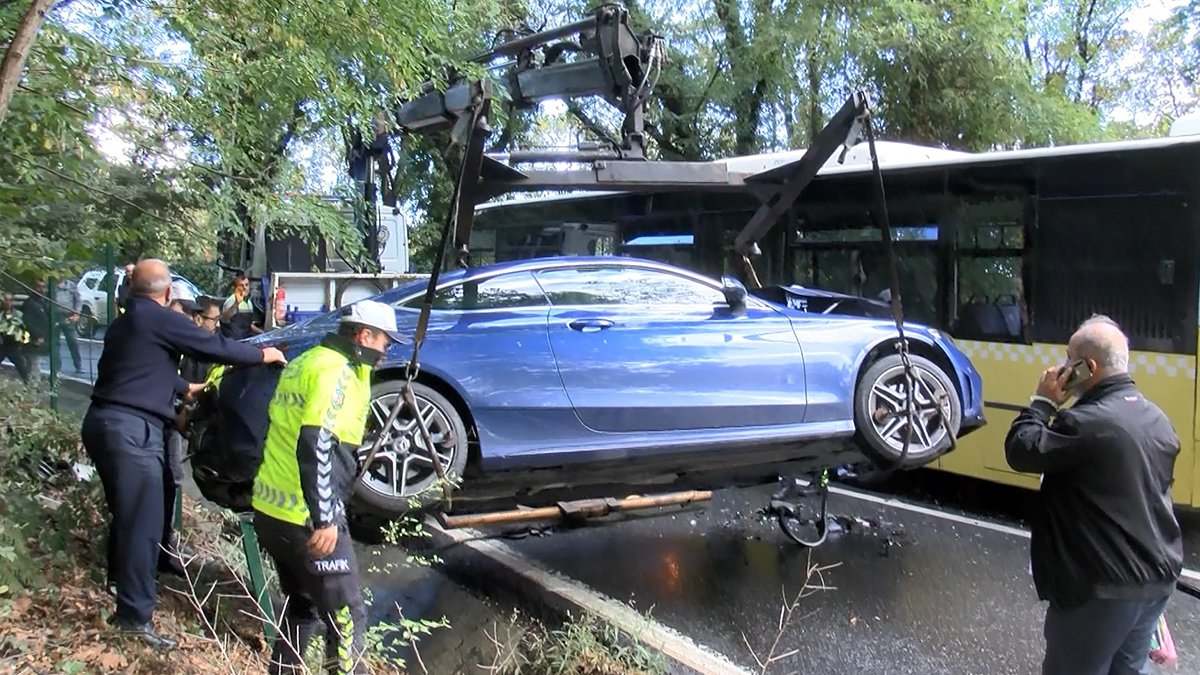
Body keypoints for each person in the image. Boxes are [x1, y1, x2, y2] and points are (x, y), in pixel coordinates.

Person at [82, 259, 287, 650]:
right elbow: (213, 345)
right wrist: (263, 356)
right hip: (130, 430)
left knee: (141, 508)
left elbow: (138, 368)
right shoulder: (157, 317)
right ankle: (133, 617)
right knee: (140, 521)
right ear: (166, 294)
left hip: (105, 424)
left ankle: (136, 571)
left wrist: (184, 388)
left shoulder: (126, 322)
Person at [1004, 314, 1182, 675]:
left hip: (1101, 591)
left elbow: (1021, 449)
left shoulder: (1086, 423)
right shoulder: (1157, 419)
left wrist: (1042, 401)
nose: (1062, 368)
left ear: (1089, 367)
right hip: (1153, 581)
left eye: (1069, 360)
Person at [252, 300, 399, 674]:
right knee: (347, 617)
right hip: (306, 518)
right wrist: (326, 517)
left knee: (302, 607)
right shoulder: (339, 372)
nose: (386, 351)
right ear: (364, 336)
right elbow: (315, 442)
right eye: (384, 341)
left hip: (271, 512)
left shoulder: (307, 360)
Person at [220, 273, 263, 340]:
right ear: (235, 288)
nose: (245, 287)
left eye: (246, 285)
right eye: (241, 285)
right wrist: (236, 304)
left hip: (244, 341)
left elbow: (248, 325)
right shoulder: (231, 301)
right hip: (232, 342)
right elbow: (224, 319)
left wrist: (263, 333)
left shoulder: (248, 303)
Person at [20, 281, 49, 379]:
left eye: (43, 287)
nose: (41, 290)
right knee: (33, 364)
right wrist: (37, 335)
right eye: (38, 287)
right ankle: (32, 386)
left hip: (41, 338)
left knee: (35, 363)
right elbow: (28, 322)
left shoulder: (43, 302)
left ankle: (32, 385)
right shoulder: (30, 303)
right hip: (32, 339)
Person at [55, 277, 84, 374]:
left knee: (73, 342)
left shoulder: (71, 285)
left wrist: (77, 314)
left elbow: (78, 300)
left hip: (69, 317)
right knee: (55, 343)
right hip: (55, 317)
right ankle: (56, 368)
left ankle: (78, 365)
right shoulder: (50, 284)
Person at [0, 292, 31, 382]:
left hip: (13, 345)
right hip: (2, 344)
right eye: (5, 300)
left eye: (9, 300)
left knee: (21, 366)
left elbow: (25, 328)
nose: (7, 302)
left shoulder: (18, 314)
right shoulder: (1, 314)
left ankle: (28, 384)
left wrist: (24, 341)